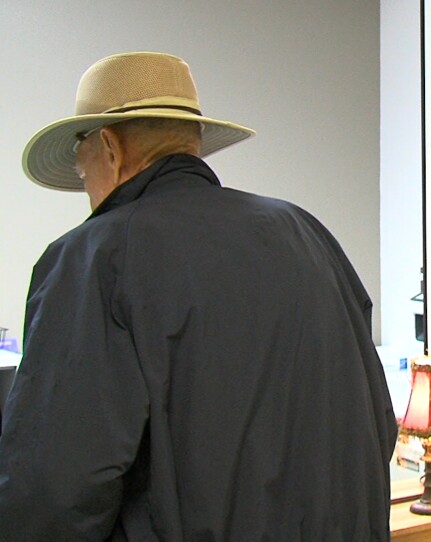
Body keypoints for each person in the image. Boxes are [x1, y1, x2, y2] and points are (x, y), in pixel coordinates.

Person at [0, 51, 398, 540]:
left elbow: (52, 492)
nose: (88, 193)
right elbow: (378, 420)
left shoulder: (96, 261)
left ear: (109, 148)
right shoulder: (307, 234)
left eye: (82, 175)